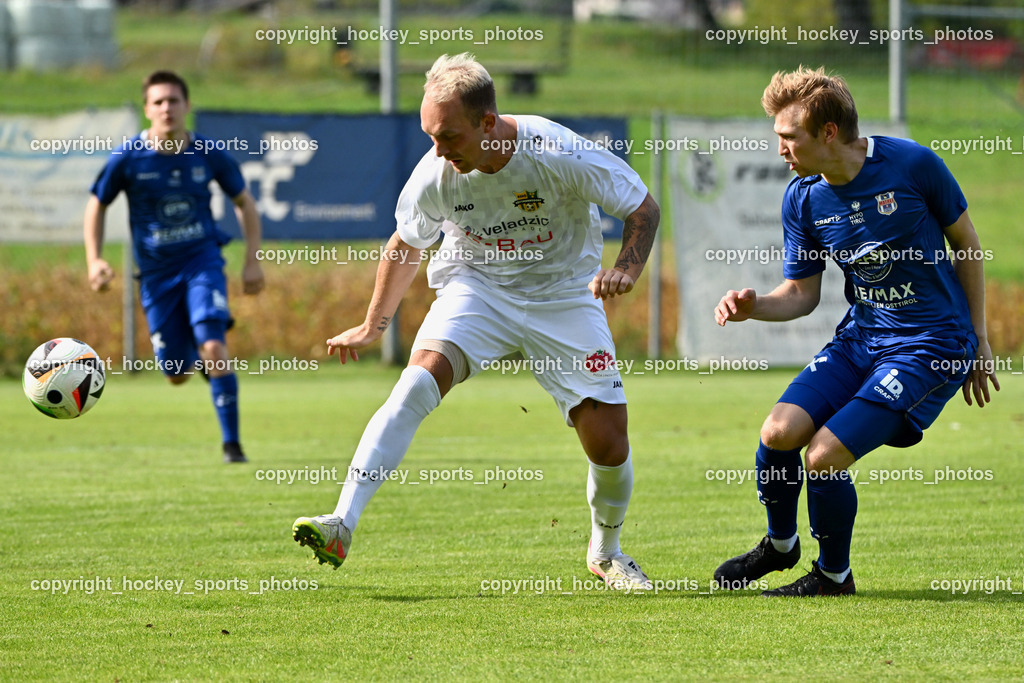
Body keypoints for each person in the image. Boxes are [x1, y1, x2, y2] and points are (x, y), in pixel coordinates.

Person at [292, 53, 660, 591]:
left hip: (562, 295)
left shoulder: (556, 151)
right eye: (430, 136)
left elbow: (643, 209)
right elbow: (405, 244)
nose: (439, 150)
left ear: (488, 122)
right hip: (477, 288)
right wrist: (373, 325)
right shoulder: (435, 173)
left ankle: (607, 553)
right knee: (415, 383)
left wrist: (625, 270)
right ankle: (341, 523)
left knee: (609, 443)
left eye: (449, 136)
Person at [712, 66, 999, 596]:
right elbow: (801, 295)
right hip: (862, 338)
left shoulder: (912, 165)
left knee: (822, 456)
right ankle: (779, 546)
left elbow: (969, 245)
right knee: (778, 434)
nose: (781, 149)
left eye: (789, 137)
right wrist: (753, 306)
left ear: (827, 133)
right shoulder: (802, 197)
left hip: (931, 346)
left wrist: (979, 340)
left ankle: (832, 575)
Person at [84, 70, 264, 463]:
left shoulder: (208, 152)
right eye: (159, 102)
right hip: (156, 275)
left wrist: (253, 261)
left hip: (202, 262)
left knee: (214, 343)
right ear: (147, 109)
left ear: (187, 106)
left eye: (174, 100)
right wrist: (94, 259)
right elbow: (97, 203)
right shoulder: (129, 158)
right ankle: (196, 363)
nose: (167, 108)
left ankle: (232, 445)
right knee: (176, 374)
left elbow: (245, 204)